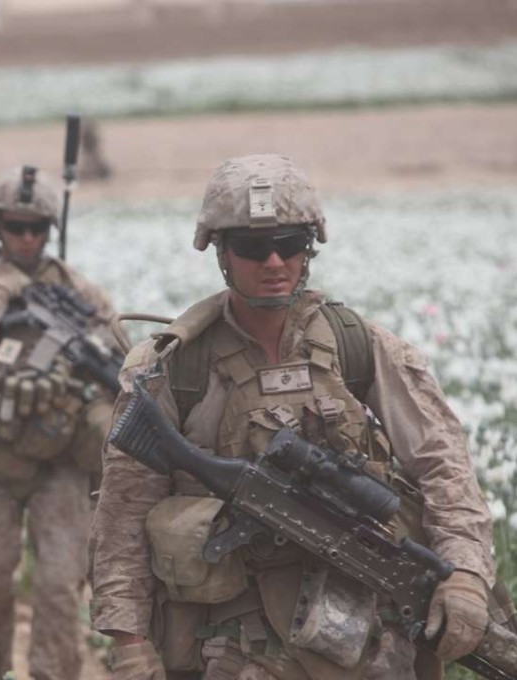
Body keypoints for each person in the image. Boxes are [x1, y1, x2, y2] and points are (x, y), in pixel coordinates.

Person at [89, 154, 495, 680]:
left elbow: (444, 466)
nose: (274, 262)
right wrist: (130, 643)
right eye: (253, 248)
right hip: (231, 643)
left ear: (310, 251)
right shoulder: (173, 368)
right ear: (222, 254)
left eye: (291, 244)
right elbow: (122, 516)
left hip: (366, 636)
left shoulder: (359, 347)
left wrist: (463, 575)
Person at [0, 165, 120, 680]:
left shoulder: (77, 290)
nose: (27, 238)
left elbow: (117, 358)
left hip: (61, 459)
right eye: (16, 227)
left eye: (37, 228)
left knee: (60, 585)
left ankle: (51, 673)